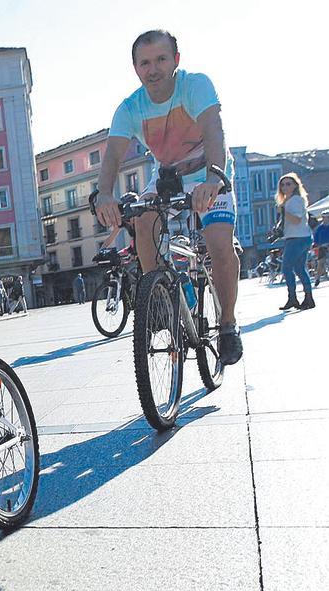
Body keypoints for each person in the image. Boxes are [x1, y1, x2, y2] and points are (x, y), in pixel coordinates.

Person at [93, 29, 243, 365]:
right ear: (136, 69)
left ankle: (229, 325)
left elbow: (214, 131)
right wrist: (104, 194)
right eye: (145, 63)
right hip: (169, 176)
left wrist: (214, 178)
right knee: (142, 220)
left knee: (219, 246)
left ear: (176, 60)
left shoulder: (196, 85)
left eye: (161, 59)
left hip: (208, 170)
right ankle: (160, 297)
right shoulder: (130, 108)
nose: (153, 68)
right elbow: (113, 156)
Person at [275, 173, 315, 311]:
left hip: (297, 238)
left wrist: (284, 211)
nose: (285, 187)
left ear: (295, 185)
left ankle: (293, 298)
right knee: (299, 269)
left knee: (286, 268)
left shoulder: (296, 200)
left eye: (288, 184)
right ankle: (308, 298)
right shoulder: (289, 200)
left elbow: (297, 220)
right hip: (299, 237)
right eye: (282, 184)